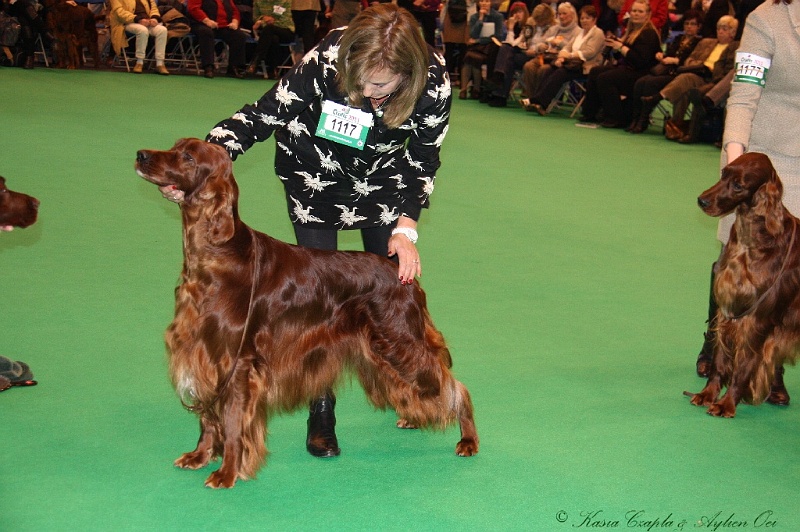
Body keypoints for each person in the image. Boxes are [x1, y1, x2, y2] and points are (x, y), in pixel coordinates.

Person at [160, 4, 451, 458]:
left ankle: (408, 388)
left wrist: (405, 229)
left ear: (408, 74)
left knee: (388, 295)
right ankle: (322, 413)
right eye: (360, 80)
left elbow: (424, 159)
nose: (367, 92)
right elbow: (265, 113)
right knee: (318, 310)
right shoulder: (328, 56)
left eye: (381, 85)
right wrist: (198, 170)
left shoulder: (434, 82)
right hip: (314, 175)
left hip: (384, 183)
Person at [693, 0, 800, 405]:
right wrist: (736, 157)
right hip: (765, 155)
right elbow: (744, 90)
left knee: (791, 269)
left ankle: (771, 364)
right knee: (737, 257)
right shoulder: (767, 19)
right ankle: (714, 343)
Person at [641, 15, 738, 141]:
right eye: (719, 28)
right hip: (699, 73)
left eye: (725, 29)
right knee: (685, 84)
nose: (720, 31)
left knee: (686, 81)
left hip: (716, 80)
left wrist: (712, 70)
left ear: (733, 32)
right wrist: (700, 66)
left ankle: (661, 103)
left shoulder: (736, 47)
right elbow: (688, 61)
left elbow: (730, 69)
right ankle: (678, 125)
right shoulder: (706, 42)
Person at [579, 0, 660, 127]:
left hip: (641, 72)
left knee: (605, 78)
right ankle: (590, 113)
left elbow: (640, 61)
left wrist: (621, 47)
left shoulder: (649, 33)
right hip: (627, 67)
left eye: (640, 11)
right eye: (634, 11)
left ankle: (615, 117)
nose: (636, 14)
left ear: (647, 14)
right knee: (596, 71)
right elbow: (621, 56)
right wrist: (615, 47)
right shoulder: (631, 31)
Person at [625, 8, 703, 132]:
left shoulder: (700, 42)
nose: (689, 27)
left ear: (699, 27)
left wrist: (676, 61)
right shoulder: (678, 39)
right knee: (640, 82)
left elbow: (691, 61)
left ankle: (643, 120)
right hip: (666, 70)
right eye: (687, 23)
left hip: (678, 74)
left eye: (693, 24)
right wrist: (661, 56)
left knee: (650, 84)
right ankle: (635, 118)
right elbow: (668, 54)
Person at [525, 4, 605, 114]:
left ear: (594, 19)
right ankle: (537, 100)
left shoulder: (598, 33)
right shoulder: (581, 33)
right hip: (571, 64)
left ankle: (539, 101)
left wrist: (570, 56)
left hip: (586, 67)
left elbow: (590, 52)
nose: (584, 21)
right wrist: (562, 57)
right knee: (548, 69)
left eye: (588, 18)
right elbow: (568, 47)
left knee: (560, 73)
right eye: (582, 18)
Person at [516, 1, 580, 104]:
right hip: (545, 56)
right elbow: (541, 42)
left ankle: (538, 100)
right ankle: (531, 97)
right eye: (559, 14)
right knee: (528, 66)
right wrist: (541, 46)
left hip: (559, 60)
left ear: (572, 15)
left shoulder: (577, 32)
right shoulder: (554, 29)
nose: (561, 16)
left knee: (543, 70)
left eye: (564, 13)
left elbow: (572, 48)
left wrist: (559, 43)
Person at [187, 0, 249, 78]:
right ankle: (208, 67)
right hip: (200, 23)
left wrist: (235, 21)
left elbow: (235, 11)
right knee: (207, 33)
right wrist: (206, 20)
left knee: (239, 36)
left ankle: (235, 67)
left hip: (223, 26)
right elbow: (193, 9)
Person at [459, 0, 506, 99]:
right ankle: (463, 89)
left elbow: (498, 36)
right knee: (469, 57)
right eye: (482, 1)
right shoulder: (474, 17)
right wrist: (480, 19)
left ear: (490, 3)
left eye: (487, 1)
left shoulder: (498, 17)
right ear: (479, 3)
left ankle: (476, 89)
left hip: (491, 48)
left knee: (474, 58)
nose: (484, 3)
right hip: (476, 47)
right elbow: (473, 34)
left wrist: (479, 40)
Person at [109, 0, 170, 75]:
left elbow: (154, 8)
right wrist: (138, 19)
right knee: (142, 30)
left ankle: (160, 63)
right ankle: (139, 62)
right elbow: (119, 12)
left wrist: (154, 18)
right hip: (127, 22)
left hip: (146, 21)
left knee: (163, 30)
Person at [247, 0, 295, 78]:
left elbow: (284, 21)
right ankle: (272, 70)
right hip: (268, 34)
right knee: (273, 38)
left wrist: (262, 22)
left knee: (269, 29)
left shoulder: (284, 1)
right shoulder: (258, 1)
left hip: (286, 31)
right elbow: (255, 18)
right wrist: (263, 18)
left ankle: (255, 62)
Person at [6, 0, 51, 69]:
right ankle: (44, 31)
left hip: (31, 9)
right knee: (23, 5)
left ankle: (29, 56)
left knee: (24, 19)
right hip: (12, 7)